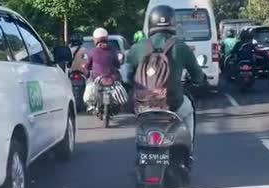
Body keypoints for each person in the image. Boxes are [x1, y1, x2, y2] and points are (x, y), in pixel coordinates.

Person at [126, 5, 205, 149]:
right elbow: (198, 76)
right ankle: (189, 148)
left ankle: (141, 147)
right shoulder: (181, 47)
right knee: (189, 111)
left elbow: (126, 77)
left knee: (140, 119)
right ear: (173, 23)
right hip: (173, 103)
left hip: (144, 103)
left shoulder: (137, 47)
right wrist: (199, 80)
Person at [83, 27, 123, 111]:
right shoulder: (113, 51)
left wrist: (87, 70)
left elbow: (87, 66)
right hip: (112, 78)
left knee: (89, 84)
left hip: (97, 79)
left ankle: (91, 105)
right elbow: (117, 65)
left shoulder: (92, 52)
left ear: (95, 39)